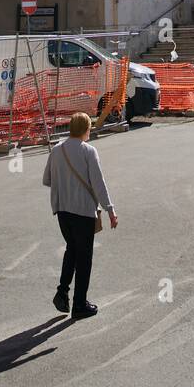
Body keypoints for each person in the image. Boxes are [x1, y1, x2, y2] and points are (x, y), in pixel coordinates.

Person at [42, 111, 117, 320]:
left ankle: (62, 291)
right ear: (86, 129)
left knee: (71, 250)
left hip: (62, 211)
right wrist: (110, 209)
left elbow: (47, 180)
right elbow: (98, 183)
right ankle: (79, 304)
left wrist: (64, 183)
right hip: (83, 211)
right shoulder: (88, 151)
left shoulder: (56, 150)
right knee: (84, 258)